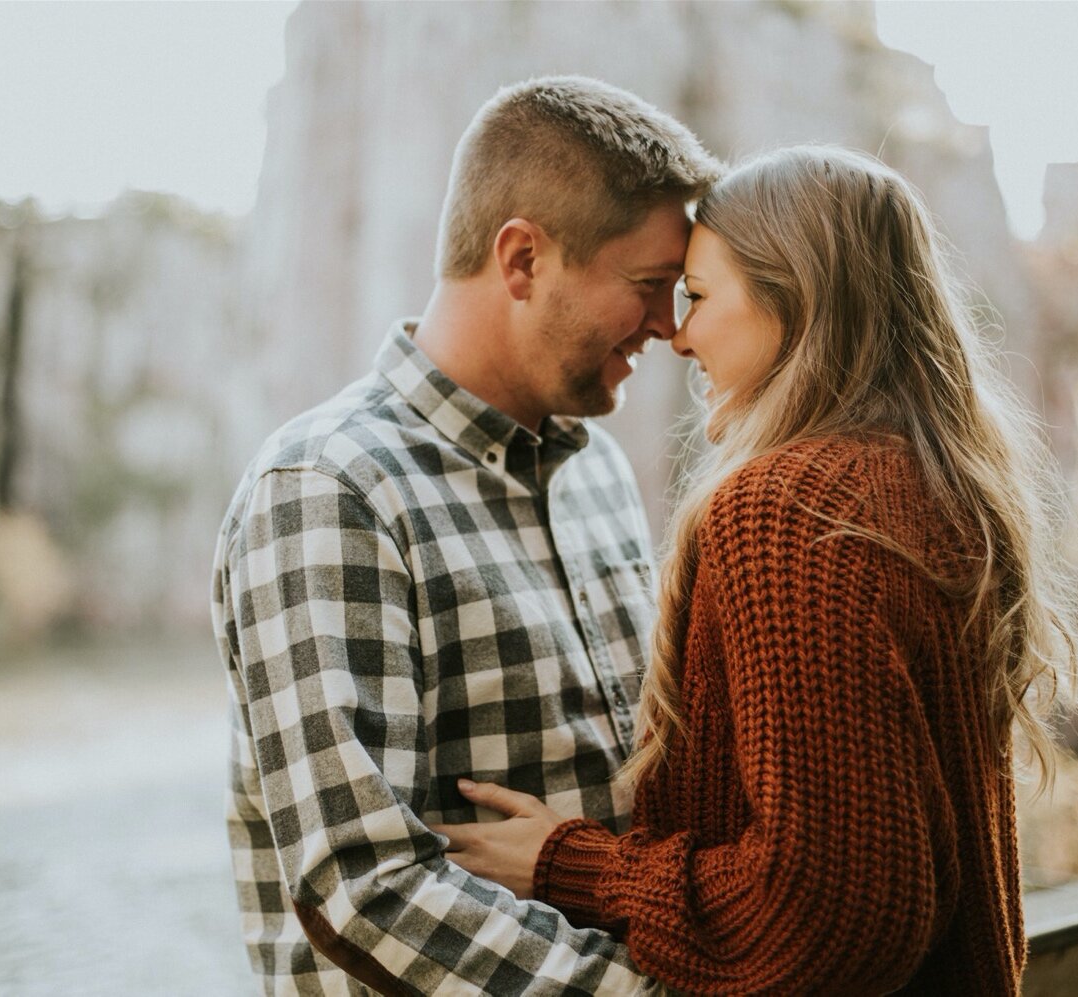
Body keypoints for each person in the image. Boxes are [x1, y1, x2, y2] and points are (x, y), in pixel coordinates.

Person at [434, 146, 1078, 995]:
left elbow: (831, 913)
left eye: (701, 298)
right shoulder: (938, 490)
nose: (678, 335)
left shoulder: (788, 512)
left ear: (796, 301)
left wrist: (575, 867)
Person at [209, 76, 721, 994]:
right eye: (647, 287)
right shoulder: (330, 489)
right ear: (521, 258)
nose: (668, 328)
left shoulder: (595, 468)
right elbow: (364, 886)